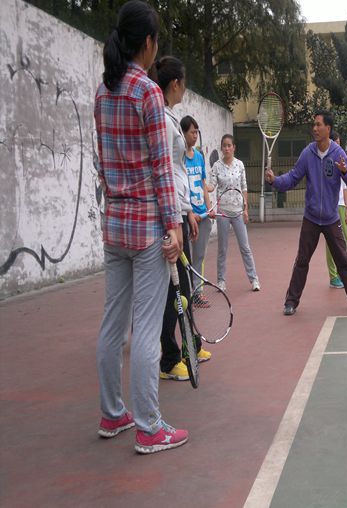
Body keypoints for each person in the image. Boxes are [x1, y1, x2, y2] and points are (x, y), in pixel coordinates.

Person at [94, 0, 187, 453]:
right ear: (148, 43)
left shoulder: (102, 93)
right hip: (147, 230)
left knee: (114, 324)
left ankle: (113, 414)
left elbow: (103, 164)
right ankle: (150, 427)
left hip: (114, 228)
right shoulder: (147, 93)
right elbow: (160, 169)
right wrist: (174, 226)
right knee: (147, 330)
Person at [265, 111, 347, 316]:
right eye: (314, 125)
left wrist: (345, 171)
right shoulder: (307, 153)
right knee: (302, 261)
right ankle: (291, 302)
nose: (315, 128)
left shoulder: (338, 153)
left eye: (318, 125)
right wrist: (275, 181)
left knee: (343, 261)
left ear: (328, 128)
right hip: (311, 218)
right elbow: (293, 178)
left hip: (331, 218)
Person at [151, 56, 211, 383]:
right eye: (184, 82)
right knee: (171, 292)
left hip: (178, 214)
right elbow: (164, 173)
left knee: (183, 287)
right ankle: (169, 358)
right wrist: (173, 220)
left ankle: (190, 345)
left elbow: (177, 173)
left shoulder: (170, 117)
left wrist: (187, 211)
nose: (185, 87)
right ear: (176, 83)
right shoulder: (161, 119)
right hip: (168, 219)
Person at [210, 134, 260, 292]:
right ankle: (221, 281)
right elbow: (211, 186)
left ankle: (254, 279)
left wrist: (245, 209)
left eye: (229, 145)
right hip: (222, 213)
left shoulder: (240, 165)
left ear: (233, 148)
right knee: (222, 249)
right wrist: (201, 183)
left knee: (245, 248)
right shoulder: (216, 166)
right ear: (221, 148)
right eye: (224, 146)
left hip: (238, 212)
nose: (226, 148)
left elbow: (244, 187)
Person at [180, 115, 215, 306]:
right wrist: (189, 213)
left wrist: (209, 209)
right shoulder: (179, 157)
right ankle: (186, 293)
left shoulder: (199, 157)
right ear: (183, 133)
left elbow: (203, 185)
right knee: (185, 257)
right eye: (192, 132)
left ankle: (197, 292)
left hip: (203, 215)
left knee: (199, 256)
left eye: (196, 132)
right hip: (187, 215)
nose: (195, 136)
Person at [325, 131, 347, 289]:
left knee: (345, 240)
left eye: (340, 142)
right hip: (331, 206)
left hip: (341, 206)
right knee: (331, 241)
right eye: (337, 142)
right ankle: (333, 276)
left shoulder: (342, 161)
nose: (339, 145)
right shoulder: (327, 161)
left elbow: (345, 187)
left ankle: (339, 271)